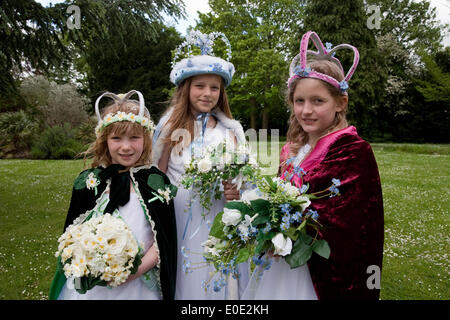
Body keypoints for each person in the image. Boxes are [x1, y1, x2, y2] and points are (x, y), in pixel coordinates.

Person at [243, 31, 384, 300]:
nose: (306, 110)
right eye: (299, 101)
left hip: (317, 272)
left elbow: (348, 224)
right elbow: (278, 194)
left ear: (340, 103)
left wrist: (284, 227)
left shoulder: (352, 150)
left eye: (318, 101)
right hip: (281, 259)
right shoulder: (293, 148)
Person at [48, 90, 178, 300]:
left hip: (139, 285)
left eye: (134, 137)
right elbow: (72, 237)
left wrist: (135, 271)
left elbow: (164, 240)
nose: (126, 147)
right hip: (95, 289)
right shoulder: (89, 182)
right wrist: (91, 263)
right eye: (116, 138)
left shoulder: (155, 182)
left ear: (145, 139)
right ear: (105, 140)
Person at [152, 30, 247, 299]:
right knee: (187, 270)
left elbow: (242, 178)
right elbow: (156, 174)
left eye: (214, 88)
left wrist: (235, 191)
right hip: (179, 212)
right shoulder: (171, 127)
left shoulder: (230, 132)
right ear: (186, 88)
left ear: (222, 92)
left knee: (216, 269)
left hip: (218, 213)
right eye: (200, 86)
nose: (207, 93)